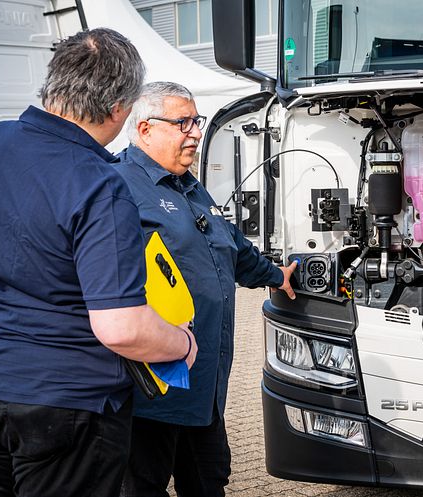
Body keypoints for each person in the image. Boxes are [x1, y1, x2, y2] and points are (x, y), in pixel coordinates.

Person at [0, 29, 197, 497]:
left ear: (54, 81)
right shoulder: (100, 182)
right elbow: (120, 327)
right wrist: (181, 344)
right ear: (120, 107)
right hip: (64, 404)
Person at [114, 81, 296, 497]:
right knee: (142, 486)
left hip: (204, 389)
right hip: (151, 391)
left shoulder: (190, 187)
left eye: (196, 121)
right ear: (145, 129)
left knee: (210, 481)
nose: (196, 132)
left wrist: (276, 275)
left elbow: (231, 247)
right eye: (183, 123)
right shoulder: (117, 184)